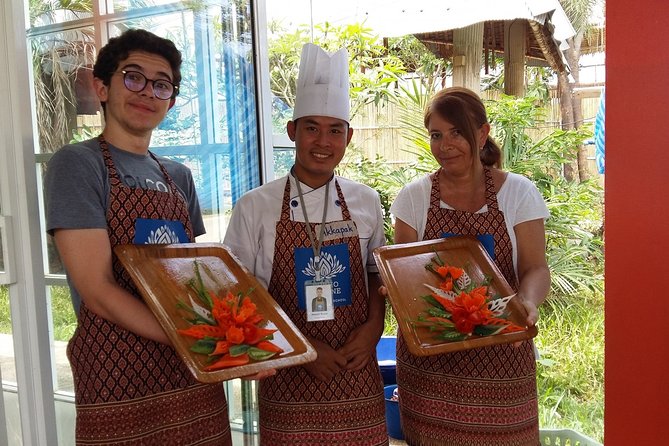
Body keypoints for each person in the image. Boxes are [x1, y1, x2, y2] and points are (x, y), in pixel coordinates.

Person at [44, 29, 232, 445]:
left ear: (171, 99)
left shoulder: (178, 175)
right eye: (133, 77)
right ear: (102, 87)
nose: (147, 91)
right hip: (117, 371)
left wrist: (236, 333)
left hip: (191, 375)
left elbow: (191, 274)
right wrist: (196, 342)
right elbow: (97, 290)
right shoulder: (77, 164)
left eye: (161, 84)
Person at [223, 43, 388, 445]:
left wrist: (373, 328)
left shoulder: (365, 200)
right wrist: (301, 347)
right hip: (287, 373)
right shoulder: (255, 206)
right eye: (311, 127)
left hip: (355, 369)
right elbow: (239, 295)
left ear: (348, 137)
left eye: (335, 130)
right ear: (292, 131)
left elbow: (376, 275)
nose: (323, 141)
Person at [390, 87, 550, 445]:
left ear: (482, 133)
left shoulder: (518, 193)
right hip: (431, 366)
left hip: (502, 360)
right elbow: (404, 274)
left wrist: (527, 302)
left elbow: (536, 268)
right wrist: (396, 290)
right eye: (436, 135)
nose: (445, 145)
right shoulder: (413, 197)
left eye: (457, 132)